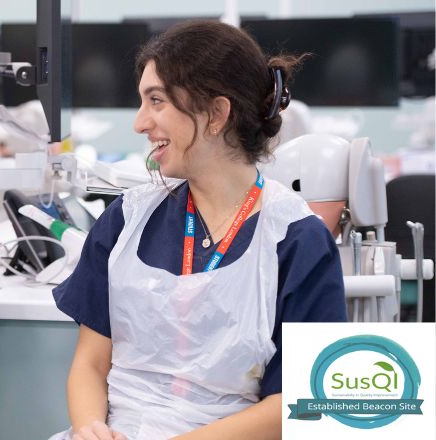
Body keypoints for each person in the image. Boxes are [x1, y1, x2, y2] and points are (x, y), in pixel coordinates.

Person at [51, 21, 347, 440]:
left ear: (216, 114)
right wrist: (90, 428)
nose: (139, 123)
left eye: (156, 101)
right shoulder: (127, 220)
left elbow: (301, 402)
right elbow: (91, 363)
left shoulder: (295, 240)